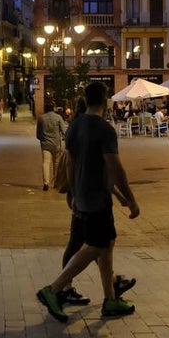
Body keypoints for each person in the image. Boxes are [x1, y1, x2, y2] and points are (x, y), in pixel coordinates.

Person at [36, 81, 140, 323]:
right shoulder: (105, 130)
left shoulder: (75, 127)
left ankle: (110, 297)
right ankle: (54, 289)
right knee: (97, 246)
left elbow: (70, 163)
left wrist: (73, 192)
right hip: (97, 199)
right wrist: (131, 200)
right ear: (105, 101)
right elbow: (115, 168)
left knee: (107, 243)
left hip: (81, 196)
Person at [37, 106, 68, 191]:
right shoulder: (58, 117)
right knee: (57, 163)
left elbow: (38, 134)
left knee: (46, 162)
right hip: (56, 144)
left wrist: (43, 139)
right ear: (53, 109)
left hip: (45, 144)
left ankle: (46, 183)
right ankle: (56, 183)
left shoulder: (41, 118)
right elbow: (64, 131)